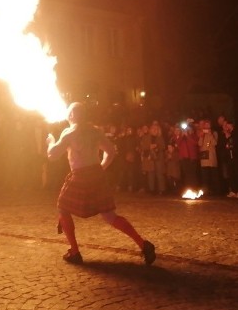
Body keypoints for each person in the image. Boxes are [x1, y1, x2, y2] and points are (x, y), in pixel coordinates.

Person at [46, 102, 156, 266]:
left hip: (79, 176)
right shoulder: (96, 131)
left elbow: (52, 155)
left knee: (62, 207)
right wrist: (101, 168)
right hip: (97, 175)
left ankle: (75, 252)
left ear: (71, 116)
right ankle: (143, 244)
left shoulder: (69, 133)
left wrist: (50, 141)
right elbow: (111, 152)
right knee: (110, 216)